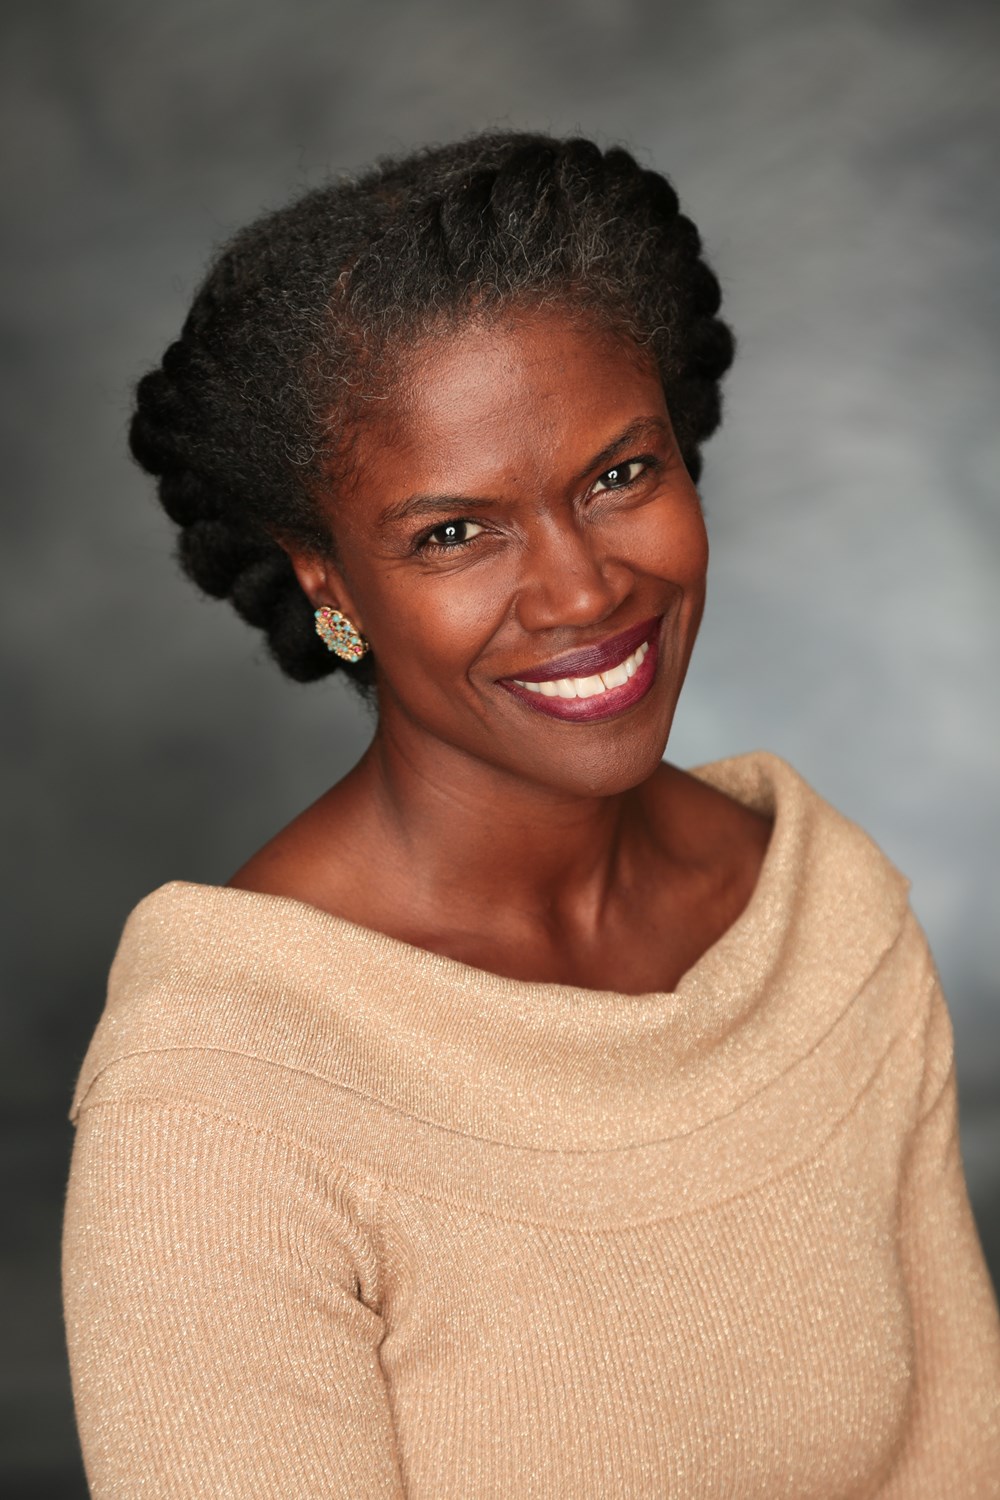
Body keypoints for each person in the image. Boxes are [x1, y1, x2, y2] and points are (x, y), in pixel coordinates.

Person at [61, 131, 1000, 1498]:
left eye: (619, 476)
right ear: (326, 580)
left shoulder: (821, 915)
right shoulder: (222, 1092)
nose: (579, 590)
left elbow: (960, 1456)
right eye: (455, 532)